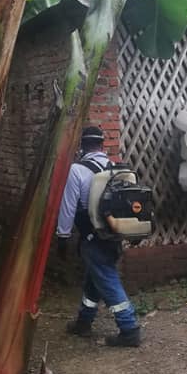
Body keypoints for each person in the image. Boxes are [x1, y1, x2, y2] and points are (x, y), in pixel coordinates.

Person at [56, 125, 142, 347]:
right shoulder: (115, 168)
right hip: (113, 235)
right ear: (102, 145)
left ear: (82, 146)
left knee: (106, 277)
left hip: (92, 237)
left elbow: (68, 206)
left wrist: (62, 237)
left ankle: (129, 328)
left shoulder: (76, 170)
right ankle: (84, 322)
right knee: (94, 278)